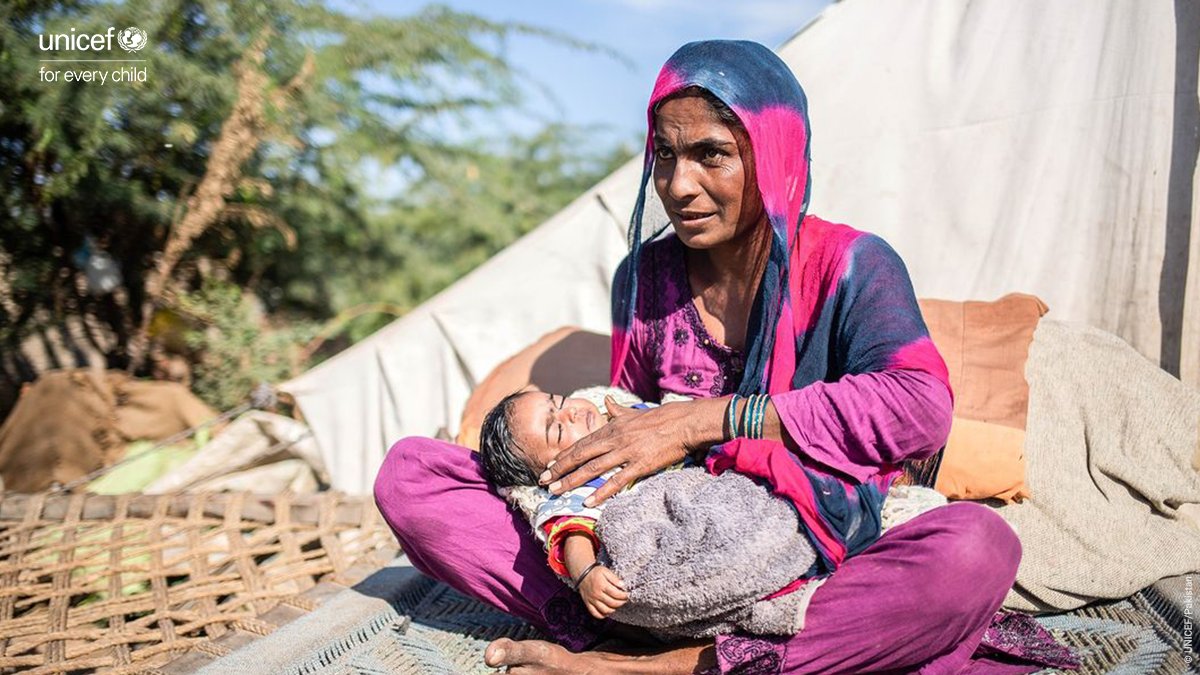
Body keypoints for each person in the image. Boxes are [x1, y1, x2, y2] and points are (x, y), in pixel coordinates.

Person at [375, 40, 1076, 673]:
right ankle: (636, 628)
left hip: (811, 562)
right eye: (665, 155)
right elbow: (631, 440)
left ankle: (660, 667)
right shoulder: (645, 280)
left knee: (975, 549)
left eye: (711, 153)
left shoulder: (850, 265)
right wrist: (584, 531)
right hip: (656, 565)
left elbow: (919, 410)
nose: (679, 185)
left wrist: (703, 421)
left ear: (770, 151)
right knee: (414, 474)